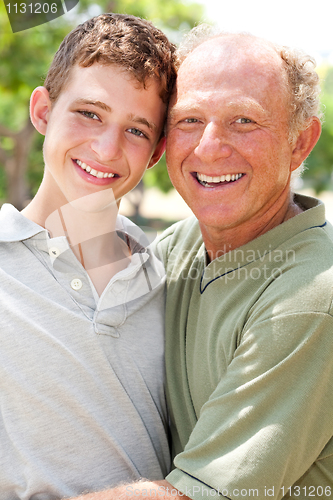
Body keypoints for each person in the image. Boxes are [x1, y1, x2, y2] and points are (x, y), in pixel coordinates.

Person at [69, 28, 333, 500]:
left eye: (244, 121)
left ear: (300, 142)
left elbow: (198, 494)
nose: (209, 147)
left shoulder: (313, 297)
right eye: (189, 119)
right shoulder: (179, 247)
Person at [0, 13, 177, 499]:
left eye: (137, 130)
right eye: (90, 113)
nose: (106, 148)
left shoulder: (171, 280)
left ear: (157, 151)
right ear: (42, 111)